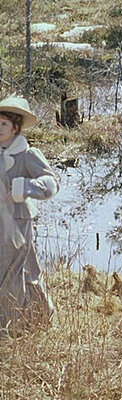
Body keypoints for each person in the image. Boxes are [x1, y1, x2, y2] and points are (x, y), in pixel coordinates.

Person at [0, 96, 59, 332]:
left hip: (18, 222)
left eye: (3, 124)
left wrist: (24, 188)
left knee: (14, 271)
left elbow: (51, 183)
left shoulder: (26, 155)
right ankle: (37, 319)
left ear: (15, 127)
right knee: (21, 270)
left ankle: (10, 327)